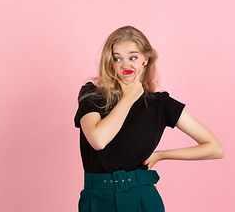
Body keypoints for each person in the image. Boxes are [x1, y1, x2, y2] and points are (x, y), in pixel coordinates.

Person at [74, 25, 224, 212]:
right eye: (117, 58)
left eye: (133, 57)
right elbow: (98, 140)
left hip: (142, 198)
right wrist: (129, 97)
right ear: (110, 63)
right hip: (97, 198)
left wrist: (162, 155)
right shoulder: (92, 95)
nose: (125, 65)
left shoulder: (160, 104)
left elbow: (216, 148)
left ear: (145, 59)